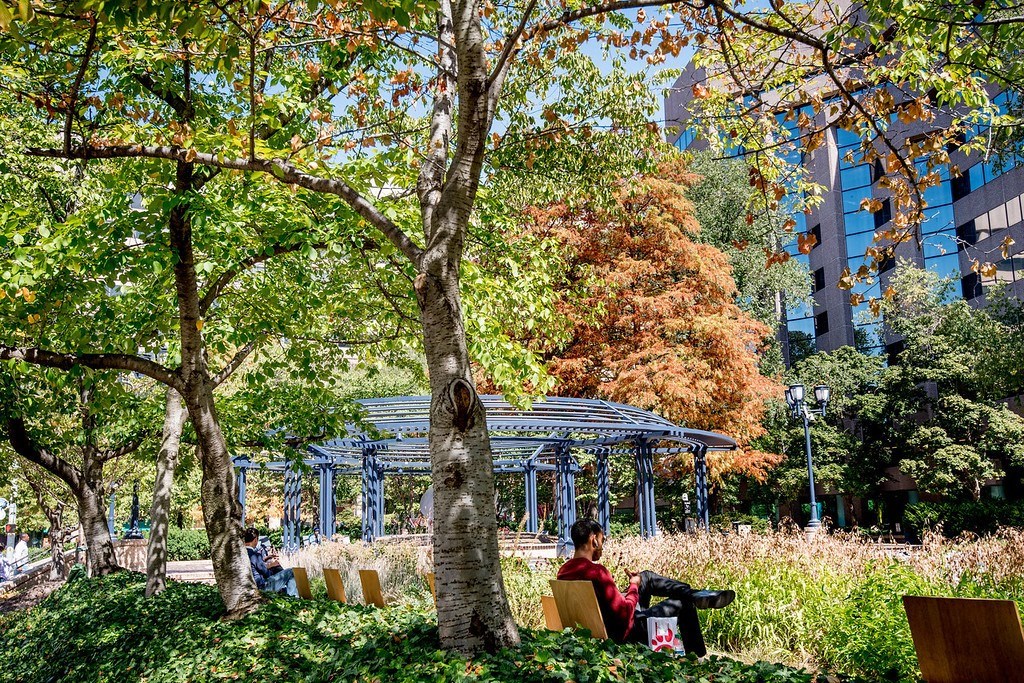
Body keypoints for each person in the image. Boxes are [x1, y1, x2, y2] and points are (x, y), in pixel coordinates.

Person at [556, 518, 735, 656]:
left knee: (646, 577)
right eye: (602, 540)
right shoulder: (597, 572)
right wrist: (633, 588)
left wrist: (632, 587)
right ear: (594, 540)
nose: (602, 546)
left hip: (603, 627)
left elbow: (604, 604)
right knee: (682, 604)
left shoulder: (563, 571)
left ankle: (695, 594)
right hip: (623, 633)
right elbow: (624, 614)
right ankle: (699, 657)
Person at [244, 528, 298, 597]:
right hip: (262, 586)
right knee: (291, 571)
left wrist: (265, 560)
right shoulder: (255, 555)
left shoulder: (242, 555)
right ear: (255, 540)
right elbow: (266, 573)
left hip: (249, 586)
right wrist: (272, 565)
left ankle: (287, 593)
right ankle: (293, 598)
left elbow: (254, 566)